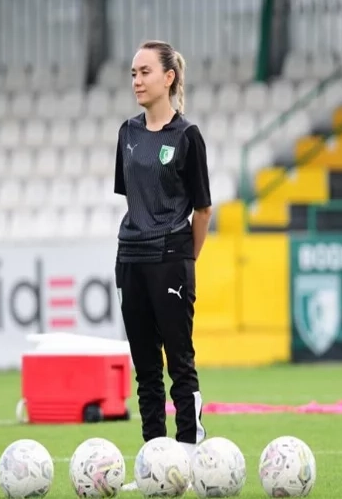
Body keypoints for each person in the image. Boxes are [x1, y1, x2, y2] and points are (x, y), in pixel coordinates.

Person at [113, 40, 213, 491]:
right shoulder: (127, 133)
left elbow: (202, 210)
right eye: (133, 73)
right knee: (145, 370)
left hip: (171, 259)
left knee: (180, 362)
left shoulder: (187, 136)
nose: (136, 80)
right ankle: (154, 463)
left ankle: (189, 456)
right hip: (130, 259)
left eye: (145, 72)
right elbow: (132, 198)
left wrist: (184, 260)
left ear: (168, 78)